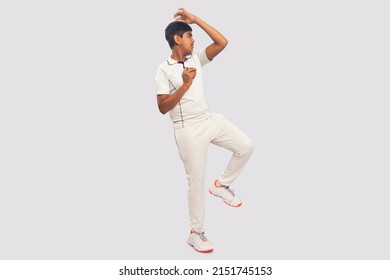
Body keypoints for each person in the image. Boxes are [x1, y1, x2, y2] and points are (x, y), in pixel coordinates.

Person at [154, 8, 253, 253]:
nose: (193, 39)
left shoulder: (196, 58)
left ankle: (221, 185)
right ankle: (196, 234)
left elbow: (222, 42)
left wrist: (195, 20)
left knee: (245, 146)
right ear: (177, 39)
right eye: (189, 35)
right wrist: (185, 85)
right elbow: (162, 107)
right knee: (195, 183)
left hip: (209, 119)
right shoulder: (163, 70)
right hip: (187, 130)